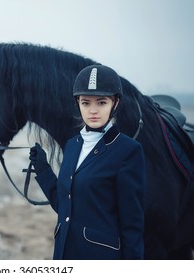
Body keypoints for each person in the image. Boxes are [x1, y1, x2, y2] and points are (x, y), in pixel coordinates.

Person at [30, 64, 146, 260]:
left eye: (101, 103)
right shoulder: (72, 145)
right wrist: (43, 170)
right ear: (78, 103)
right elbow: (65, 205)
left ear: (115, 103)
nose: (93, 110)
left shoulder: (128, 151)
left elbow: (132, 226)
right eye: (86, 103)